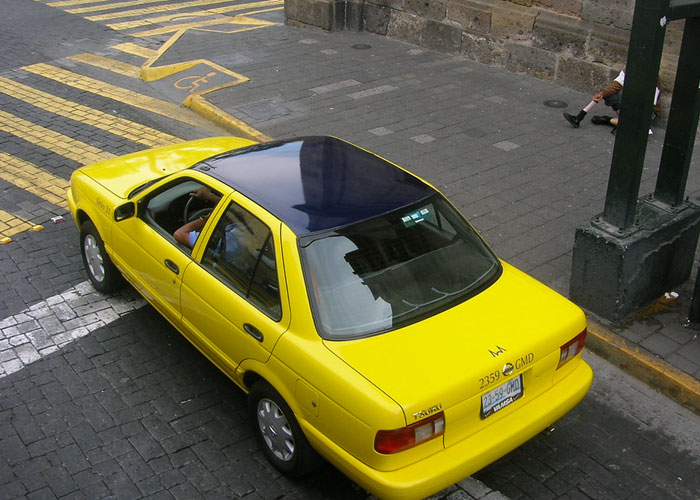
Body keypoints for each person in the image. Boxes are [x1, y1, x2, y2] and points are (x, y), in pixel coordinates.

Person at [563, 70, 662, 133]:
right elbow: (617, 84)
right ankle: (579, 117)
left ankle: (608, 120)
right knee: (608, 93)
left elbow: (647, 104)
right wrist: (602, 94)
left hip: (647, 110)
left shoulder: (653, 78)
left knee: (636, 125)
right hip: (630, 102)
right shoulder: (630, 67)